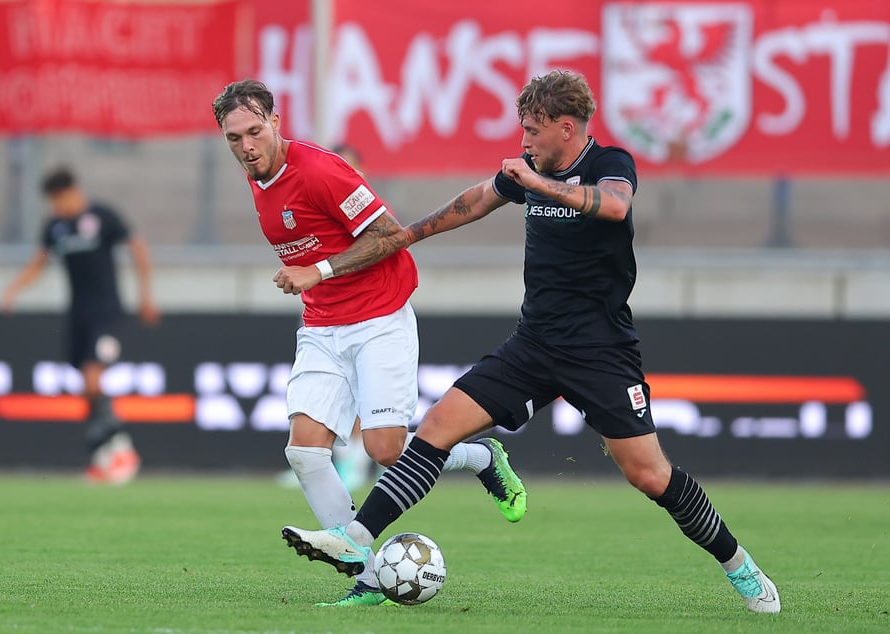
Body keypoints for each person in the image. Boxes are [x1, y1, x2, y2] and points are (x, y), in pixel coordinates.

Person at [280, 70, 781, 614]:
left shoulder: (610, 163)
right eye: (522, 130)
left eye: (533, 131)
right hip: (534, 345)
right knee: (435, 429)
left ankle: (741, 567)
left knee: (648, 474)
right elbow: (473, 202)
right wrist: (405, 237)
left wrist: (535, 182)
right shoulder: (527, 171)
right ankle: (357, 537)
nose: (524, 142)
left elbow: (614, 206)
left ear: (567, 129)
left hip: (600, 352)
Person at [211, 79, 528, 606]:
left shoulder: (319, 169)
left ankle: (479, 456)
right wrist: (316, 278)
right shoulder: (257, 177)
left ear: (276, 123)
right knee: (305, 452)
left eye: (254, 131)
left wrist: (320, 269)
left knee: (384, 450)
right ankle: (368, 574)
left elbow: (389, 234)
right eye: (233, 138)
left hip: (379, 318)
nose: (246, 147)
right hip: (321, 327)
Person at [1, 166, 159, 484]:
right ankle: (105, 454)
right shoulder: (56, 227)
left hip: (107, 315)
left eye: (59, 199)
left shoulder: (101, 216)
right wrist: (14, 289)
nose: (56, 207)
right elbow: (40, 261)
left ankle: (121, 451)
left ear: (73, 192)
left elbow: (138, 249)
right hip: (77, 317)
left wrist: (145, 296)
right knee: (86, 390)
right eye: (52, 202)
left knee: (91, 380)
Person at [274, 143, 378, 494]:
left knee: (377, 422)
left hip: (368, 315)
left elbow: (386, 244)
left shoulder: (368, 212)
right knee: (321, 398)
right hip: (323, 314)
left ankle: (358, 461)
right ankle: (324, 459)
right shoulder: (314, 201)